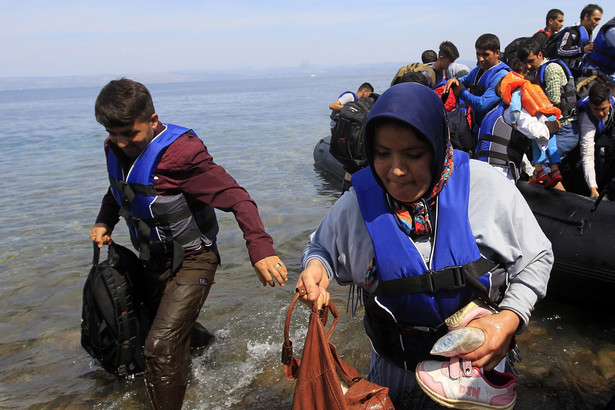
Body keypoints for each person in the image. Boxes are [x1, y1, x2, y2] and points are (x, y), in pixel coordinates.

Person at [295, 82, 552, 408]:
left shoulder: (483, 187)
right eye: (382, 154)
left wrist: (511, 316)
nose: (397, 170)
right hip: (395, 370)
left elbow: (536, 255)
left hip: (477, 373)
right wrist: (316, 268)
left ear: (437, 145)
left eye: (414, 155)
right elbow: (319, 248)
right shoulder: (358, 205)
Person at [89, 78, 288, 409]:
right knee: (160, 330)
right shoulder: (116, 148)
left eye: (131, 134)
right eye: (114, 134)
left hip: (195, 259)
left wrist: (261, 249)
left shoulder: (181, 156)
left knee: (158, 348)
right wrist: (103, 221)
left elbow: (238, 198)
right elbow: (120, 188)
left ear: (153, 121)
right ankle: (210, 348)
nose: (122, 143)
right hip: (153, 260)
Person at [518, 38, 580, 159]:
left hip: (565, 126)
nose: (528, 66)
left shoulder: (551, 69)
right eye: (525, 63)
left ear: (540, 55)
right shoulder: (537, 72)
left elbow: (554, 101)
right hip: (552, 125)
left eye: (531, 61)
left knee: (545, 162)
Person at [445, 34, 510, 136]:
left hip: (493, 130)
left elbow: (482, 105)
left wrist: (462, 92)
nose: (480, 59)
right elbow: (464, 80)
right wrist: (454, 80)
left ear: (497, 53)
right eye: (478, 54)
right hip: (478, 128)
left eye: (485, 54)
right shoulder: (478, 70)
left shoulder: (501, 75)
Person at [577, 81, 615, 198]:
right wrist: (592, 187)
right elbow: (587, 154)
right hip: (584, 145)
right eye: (596, 109)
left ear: (610, 102)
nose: (600, 113)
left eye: (604, 108)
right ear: (589, 105)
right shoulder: (586, 119)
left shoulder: (613, 102)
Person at [553, 4, 603, 74]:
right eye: (596, 19)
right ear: (586, 17)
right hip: (564, 73)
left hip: (579, 72)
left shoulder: (589, 34)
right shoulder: (571, 32)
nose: (597, 23)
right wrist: (582, 50)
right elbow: (561, 50)